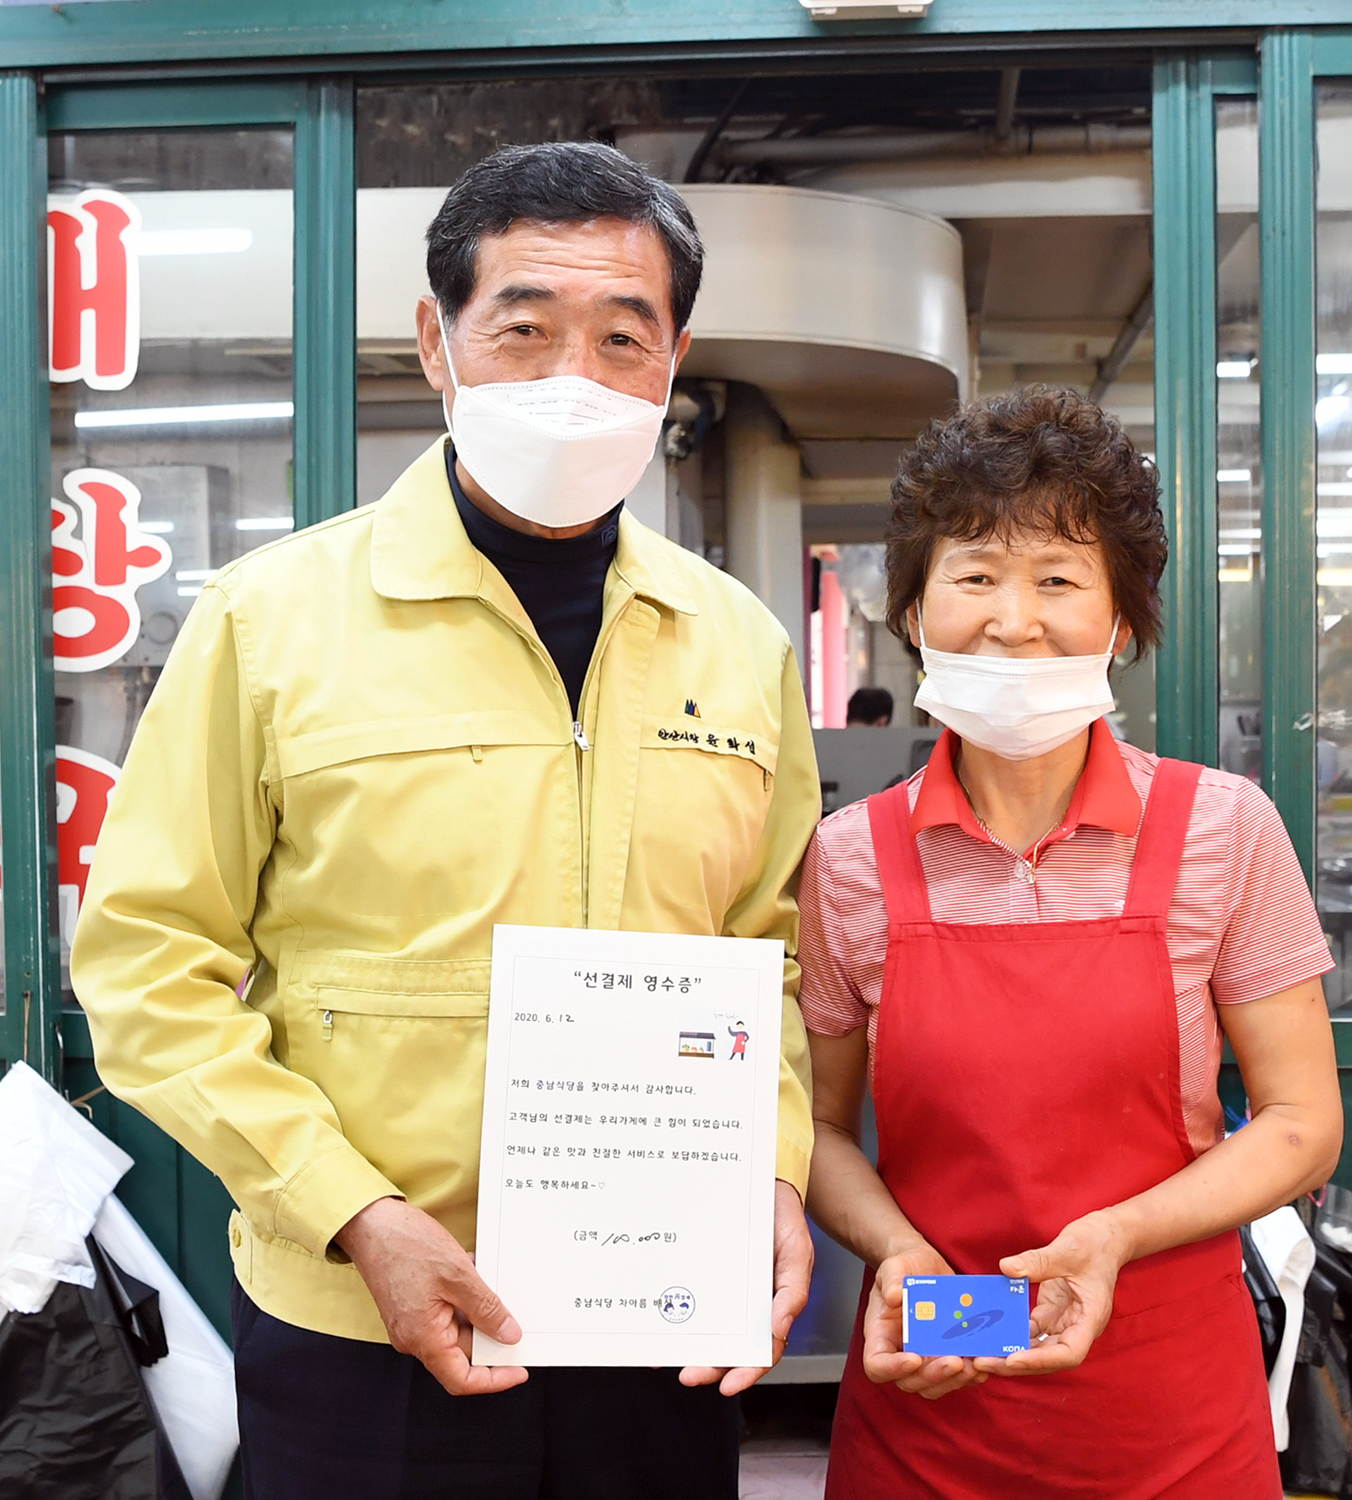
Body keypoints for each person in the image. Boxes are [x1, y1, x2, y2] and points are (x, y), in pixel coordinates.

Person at [72, 141, 820, 1500]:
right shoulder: (272, 623)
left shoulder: (741, 643)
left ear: (675, 360)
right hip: (364, 1330)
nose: (571, 378)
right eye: (523, 331)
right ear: (438, 340)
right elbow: (144, 967)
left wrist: (767, 1173)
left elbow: (762, 956)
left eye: (619, 337)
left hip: (655, 1317)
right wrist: (351, 1214)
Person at [797, 386, 1342, 1499]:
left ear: (1123, 620)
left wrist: (1116, 1235)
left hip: (1171, 1411)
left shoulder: (1225, 829)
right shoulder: (848, 858)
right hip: (929, 1400)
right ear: (912, 612)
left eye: (1058, 578)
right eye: (975, 575)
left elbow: (1301, 1123)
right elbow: (813, 1127)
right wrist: (896, 1251)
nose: (1014, 618)